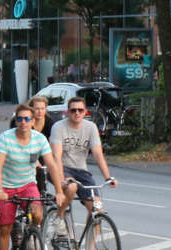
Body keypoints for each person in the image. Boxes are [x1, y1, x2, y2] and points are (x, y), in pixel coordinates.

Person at [0, 104, 65, 250]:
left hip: (28, 184)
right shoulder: (6, 138)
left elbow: (51, 165)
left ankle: (30, 232)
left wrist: (59, 191)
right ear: (16, 121)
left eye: (27, 119)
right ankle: (14, 230)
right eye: (19, 119)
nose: (23, 122)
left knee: (38, 214)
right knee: (5, 228)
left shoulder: (40, 139)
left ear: (33, 121)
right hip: (7, 187)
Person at [50, 97, 118, 236]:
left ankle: (89, 246)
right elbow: (56, 156)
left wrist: (108, 177)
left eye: (80, 110)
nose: (76, 113)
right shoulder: (59, 127)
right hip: (62, 167)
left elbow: (98, 154)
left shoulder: (91, 127)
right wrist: (62, 178)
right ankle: (59, 217)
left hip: (82, 171)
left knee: (96, 209)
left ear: (85, 112)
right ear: (67, 112)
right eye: (73, 110)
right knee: (71, 187)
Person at [9, 96, 59, 195]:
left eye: (42, 109)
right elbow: (20, 142)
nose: (40, 112)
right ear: (31, 110)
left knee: (53, 170)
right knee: (37, 170)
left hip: (41, 152)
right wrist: (35, 160)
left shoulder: (50, 122)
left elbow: (53, 143)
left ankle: (46, 193)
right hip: (21, 150)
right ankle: (34, 194)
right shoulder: (23, 122)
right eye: (37, 109)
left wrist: (55, 160)